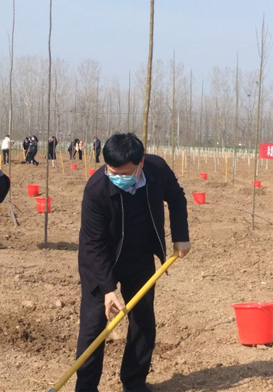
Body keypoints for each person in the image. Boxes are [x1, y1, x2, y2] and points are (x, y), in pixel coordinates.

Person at [75, 133, 191, 392]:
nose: (117, 177)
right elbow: (93, 244)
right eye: (112, 172)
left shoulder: (157, 169)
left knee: (142, 320)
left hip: (139, 256)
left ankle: (135, 382)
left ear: (141, 163)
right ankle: (86, 387)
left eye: (124, 173)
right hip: (101, 260)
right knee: (94, 326)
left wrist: (181, 235)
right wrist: (108, 289)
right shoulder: (96, 189)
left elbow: (176, 197)